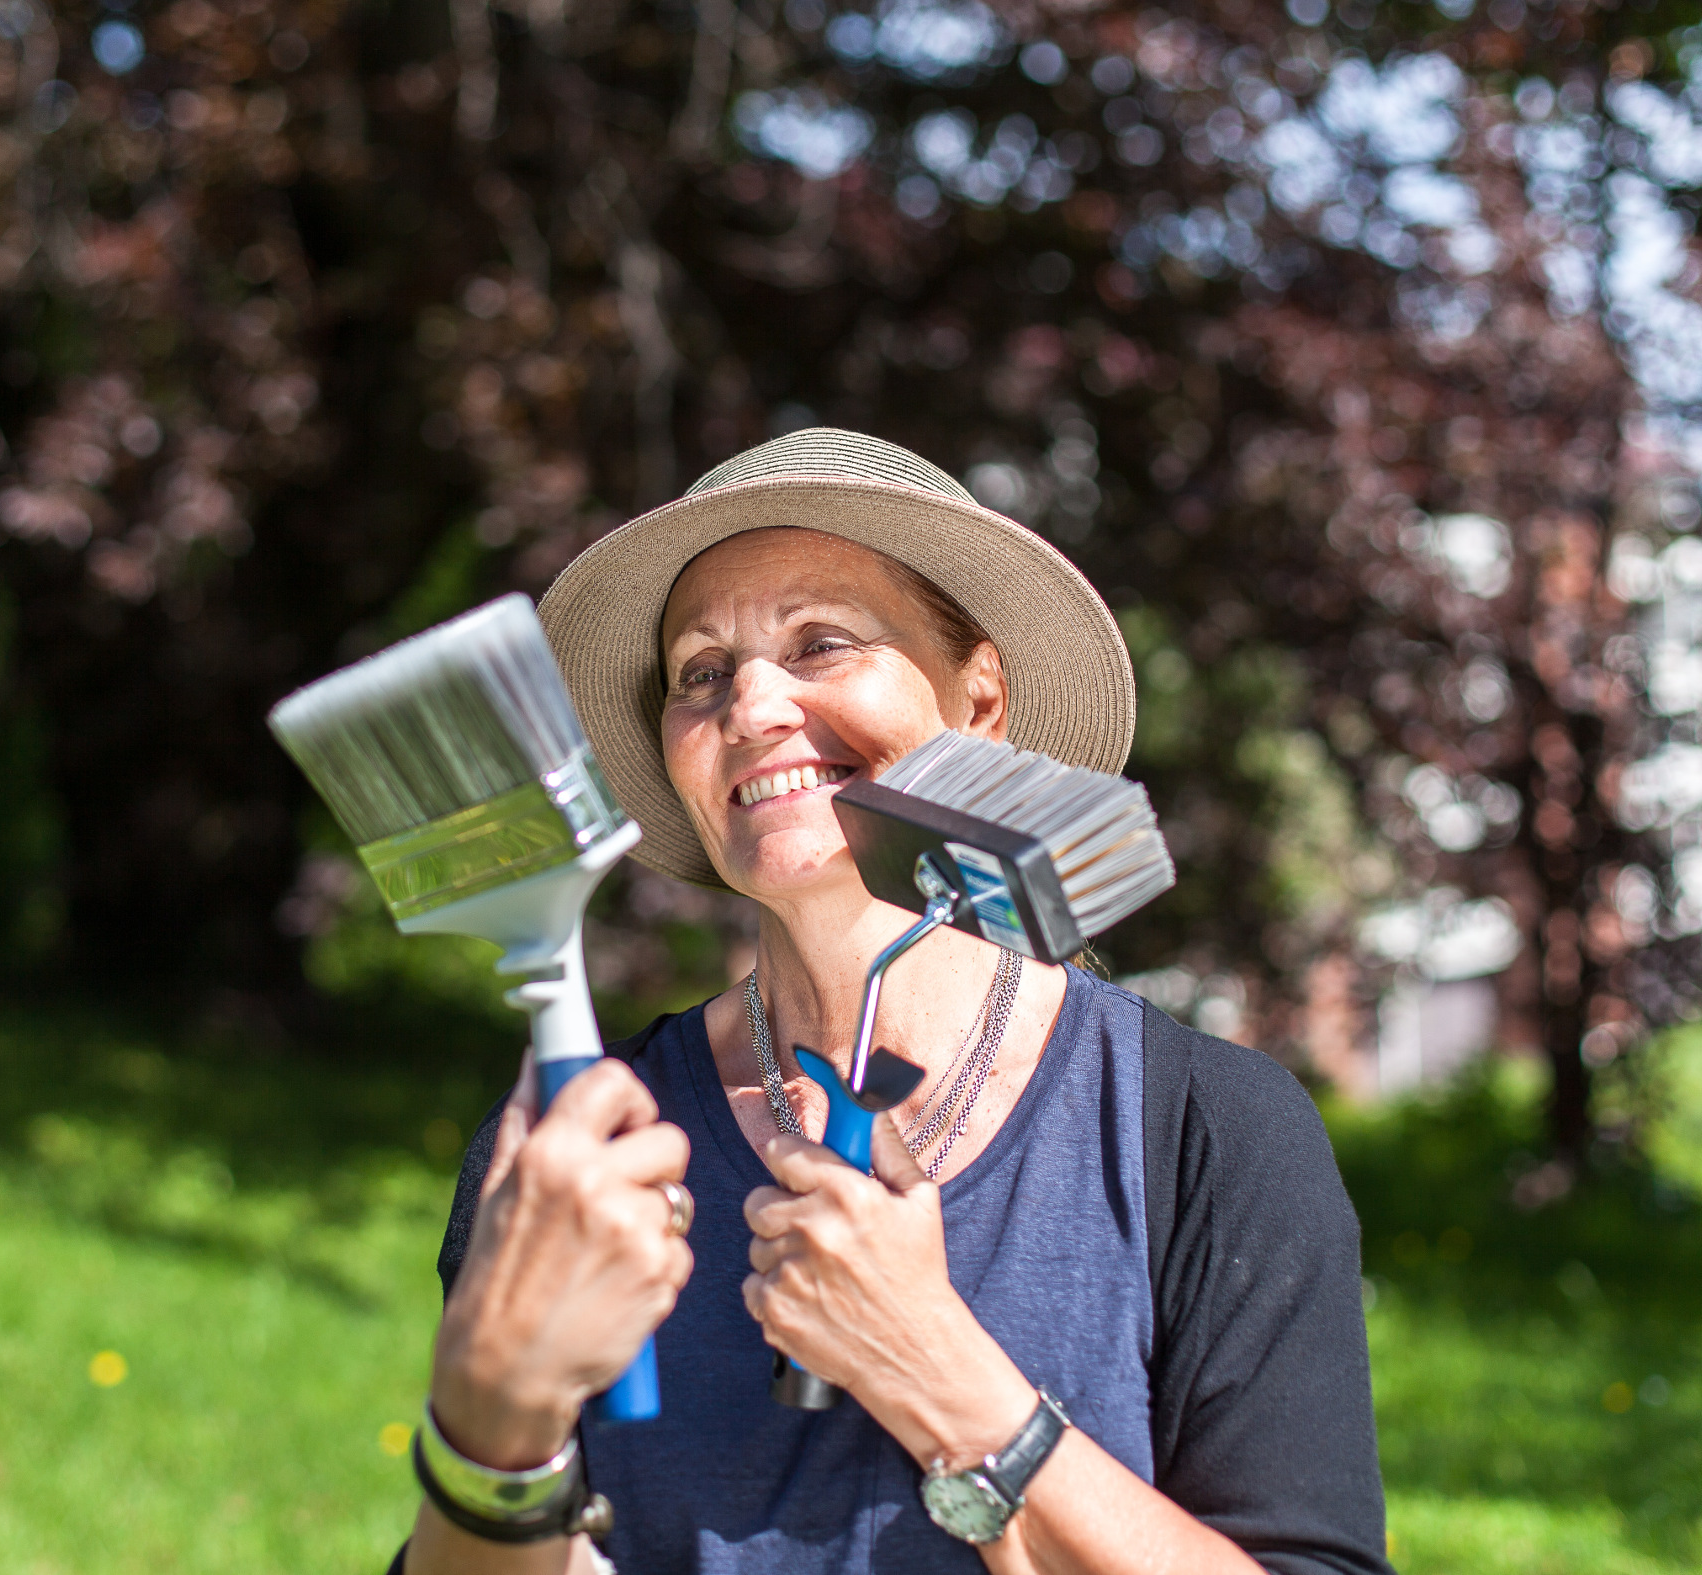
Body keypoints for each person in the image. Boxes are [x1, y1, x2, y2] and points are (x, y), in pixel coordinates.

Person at [395, 430, 1391, 1575]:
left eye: (820, 643)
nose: (752, 706)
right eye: (701, 672)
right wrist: (494, 1428)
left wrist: (941, 1374)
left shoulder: (1209, 1131)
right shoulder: (576, 1155)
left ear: (980, 701)